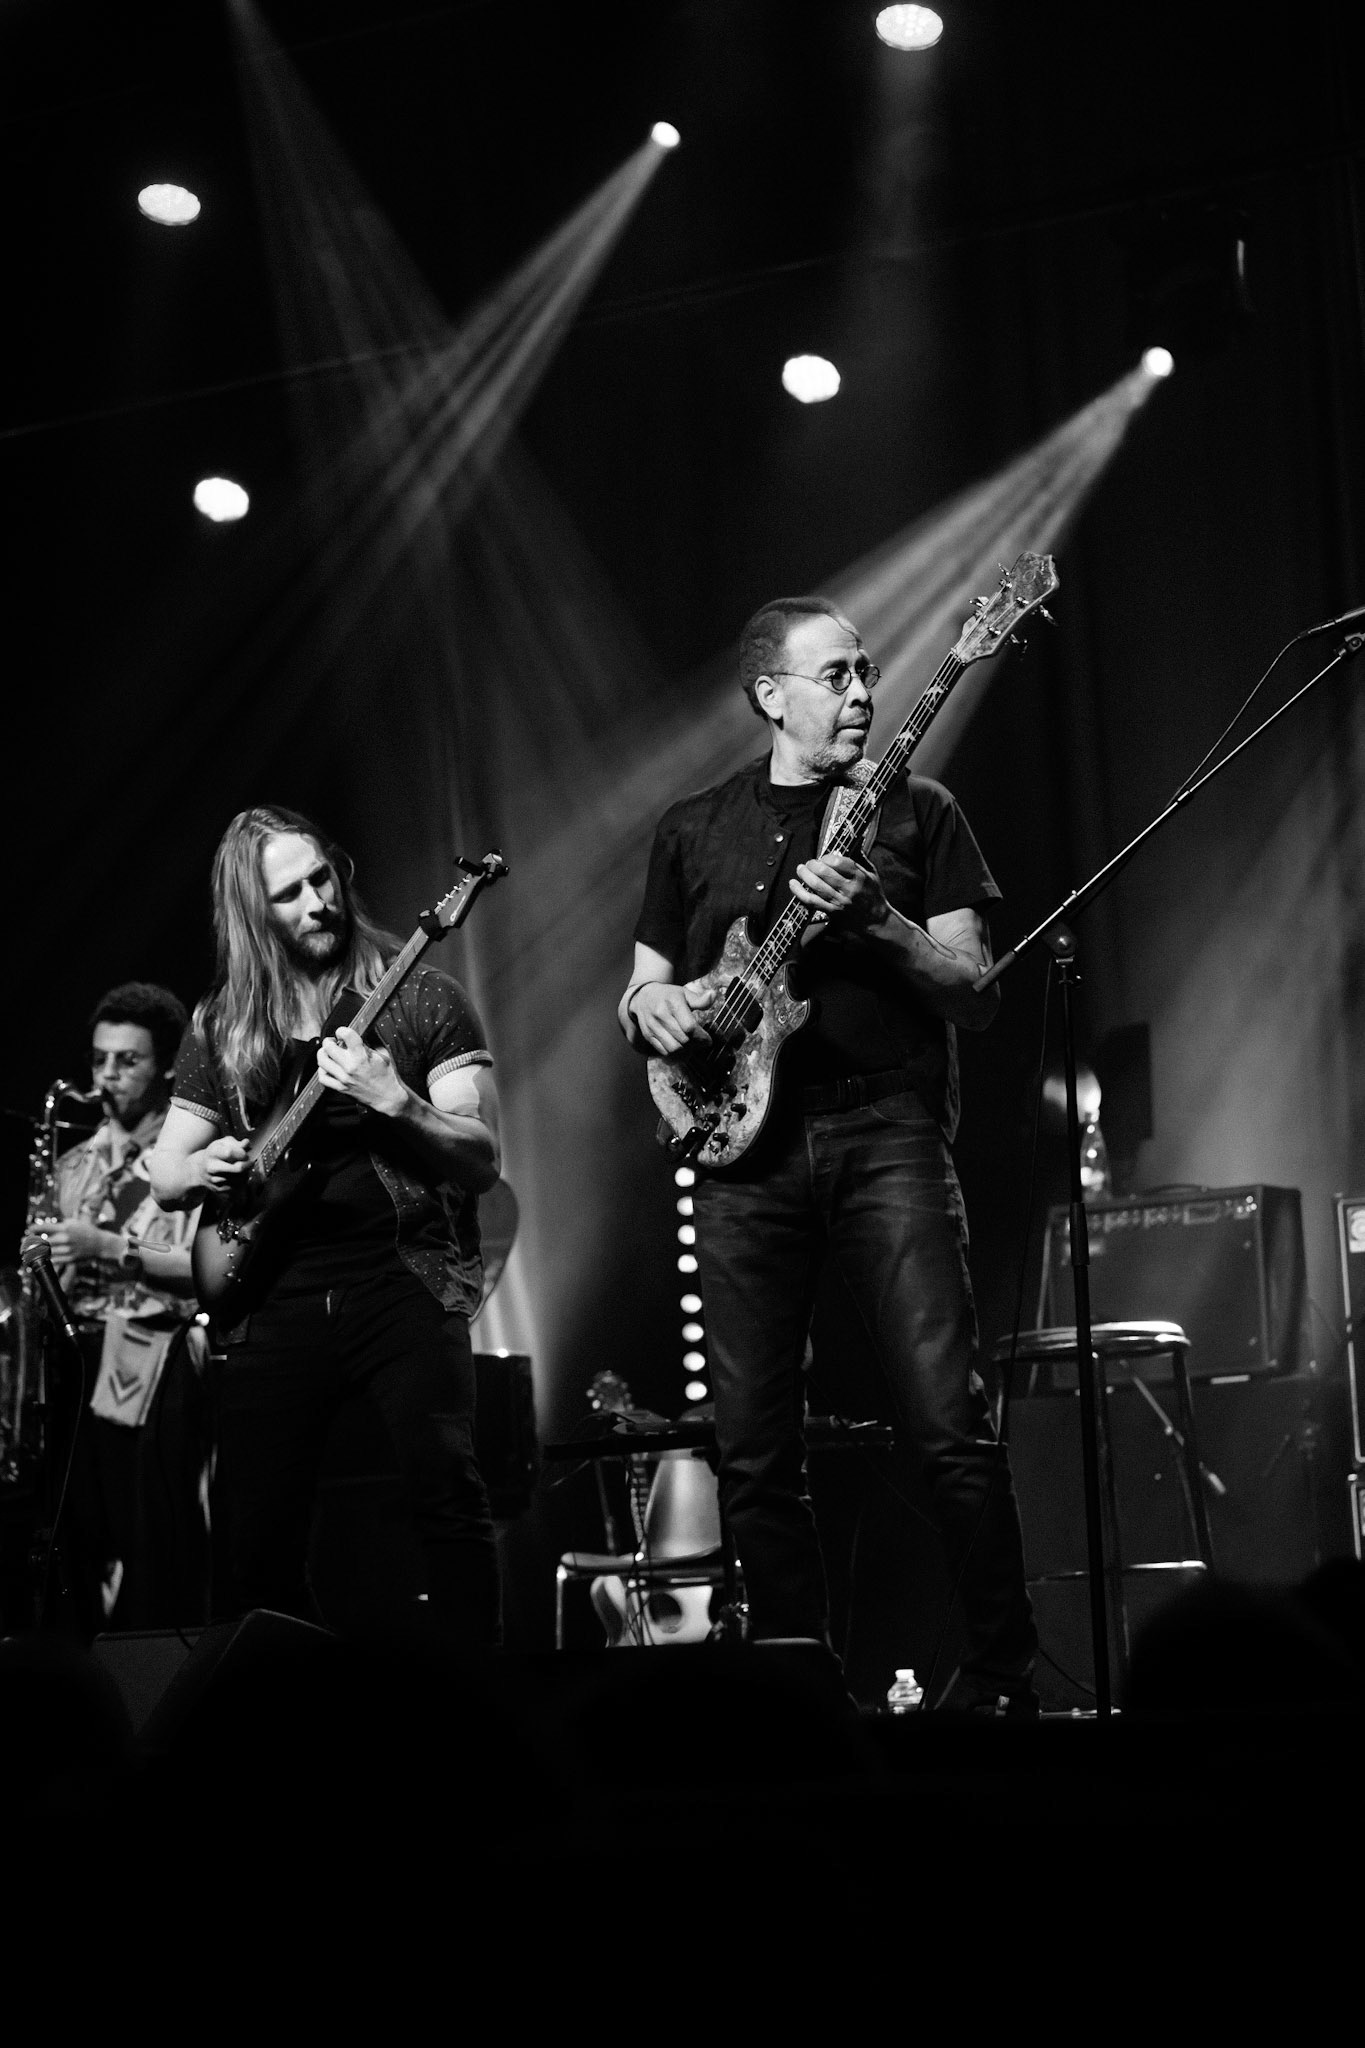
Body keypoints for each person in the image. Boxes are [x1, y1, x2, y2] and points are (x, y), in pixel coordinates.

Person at [619, 596, 1038, 1712]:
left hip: (885, 1132)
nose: (861, 693)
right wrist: (653, 1008)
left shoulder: (922, 811)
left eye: (866, 672)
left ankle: (1002, 1681)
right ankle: (797, 1698)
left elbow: (977, 994)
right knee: (753, 1450)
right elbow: (642, 988)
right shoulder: (692, 827)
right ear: (770, 694)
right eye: (835, 675)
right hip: (740, 1155)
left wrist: (879, 922)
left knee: (947, 1421)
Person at [148, 805, 502, 1648]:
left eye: (322, 878)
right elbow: (165, 1174)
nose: (318, 902)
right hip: (271, 1293)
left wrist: (397, 1102)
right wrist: (207, 1168)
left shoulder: (421, 996)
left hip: (401, 1278)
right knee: (255, 1543)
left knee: (447, 1497)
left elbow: (482, 1157)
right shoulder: (224, 1023)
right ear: (253, 913)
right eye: (290, 894)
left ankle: (476, 1701)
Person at [24, 981, 209, 1633]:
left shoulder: (190, 1159)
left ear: (167, 1067)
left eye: (127, 1061)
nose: (106, 1076)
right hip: (76, 1366)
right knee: (75, 1543)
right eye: (99, 1059)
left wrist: (110, 1247)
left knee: (157, 1546)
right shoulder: (72, 1163)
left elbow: (203, 1267)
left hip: (157, 1365)